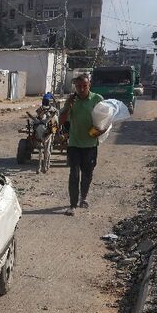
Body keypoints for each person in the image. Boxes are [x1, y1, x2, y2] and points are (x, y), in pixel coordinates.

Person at [59, 74, 104, 216]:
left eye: (84, 85)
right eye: (79, 86)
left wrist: (101, 130)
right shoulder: (71, 100)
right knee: (74, 174)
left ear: (89, 85)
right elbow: (61, 121)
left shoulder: (98, 99)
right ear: (75, 87)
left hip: (91, 144)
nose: (82, 89)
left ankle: (83, 197)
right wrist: (68, 106)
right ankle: (72, 205)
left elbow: (106, 119)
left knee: (87, 174)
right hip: (74, 144)